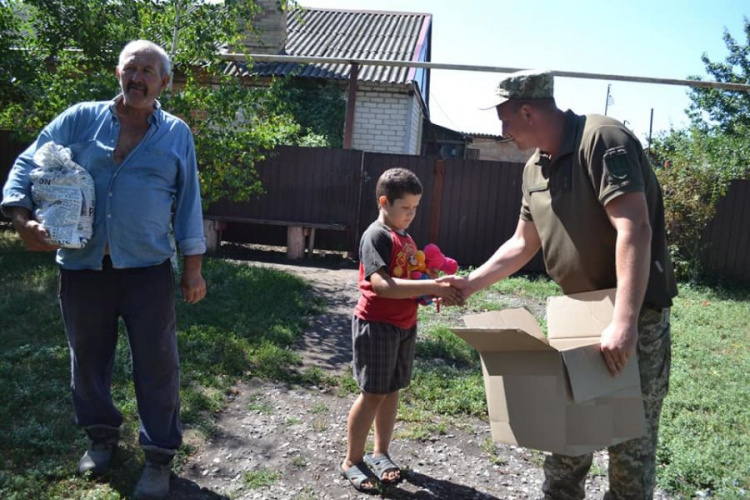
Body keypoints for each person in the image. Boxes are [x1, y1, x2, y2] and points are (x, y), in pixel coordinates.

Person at [444, 70, 677, 499]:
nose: (503, 130)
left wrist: (623, 323)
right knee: (567, 436)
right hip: (580, 316)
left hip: (633, 318)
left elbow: (634, 228)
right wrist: (470, 284)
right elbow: (522, 242)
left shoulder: (603, 139)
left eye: (506, 119)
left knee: (630, 449)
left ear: (528, 110)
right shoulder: (534, 168)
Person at [1, 40, 206, 500]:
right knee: (88, 359)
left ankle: (158, 457)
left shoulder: (176, 135)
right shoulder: (78, 119)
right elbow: (25, 163)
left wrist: (192, 269)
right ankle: (100, 436)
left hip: (147, 270)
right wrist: (21, 219)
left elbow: (189, 204)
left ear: (164, 83)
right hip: (82, 267)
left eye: (148, 72)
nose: (138, 79)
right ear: (118, 73)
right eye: (131, 70)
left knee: (157, 365)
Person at [340, 167, 461, 492]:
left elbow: (412, 277)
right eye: (406, 207)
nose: (411, 214)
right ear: (384, 201)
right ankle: (352, 460)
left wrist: (431, 285)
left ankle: (381, 454)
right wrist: (433, 287)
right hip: (377, 325)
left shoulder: (405, 236)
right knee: (372, 394)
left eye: (415, 208)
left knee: (392, 390)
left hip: (404, 325)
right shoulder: (376, 235)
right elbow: (381, 285)